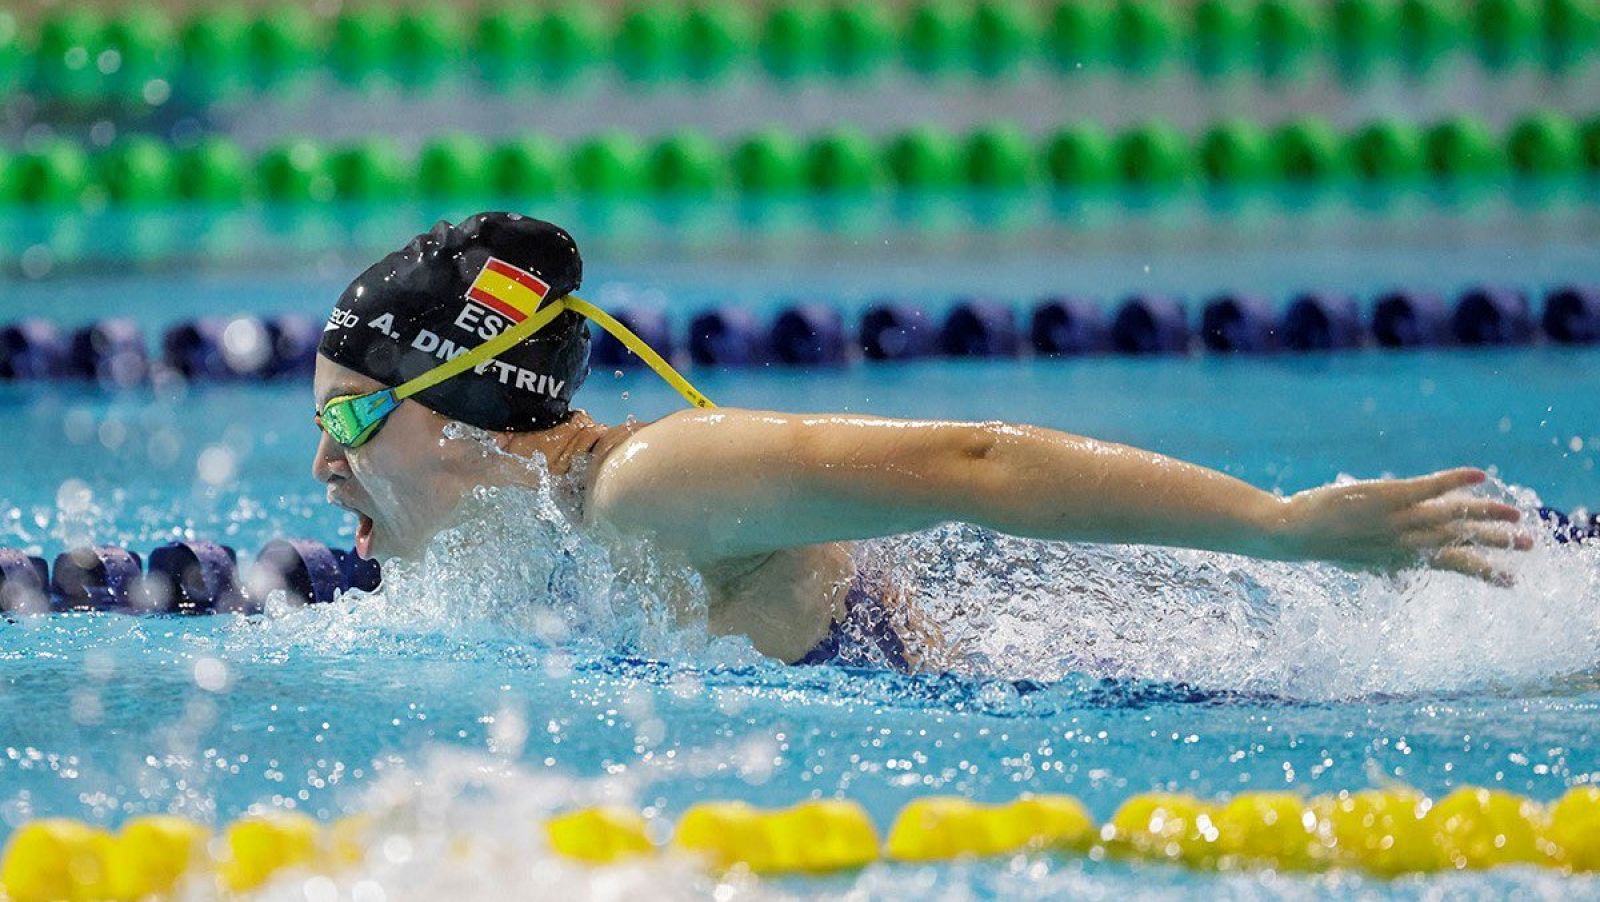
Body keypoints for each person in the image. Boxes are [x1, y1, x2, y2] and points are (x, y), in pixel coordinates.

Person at [312, 212, 1531, 669]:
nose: (323, 464)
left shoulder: (646, 488)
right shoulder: (536, 551)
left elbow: (974, 464)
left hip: (1060, 690)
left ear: (472, 410)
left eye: (350, 416)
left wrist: (1285, 526)